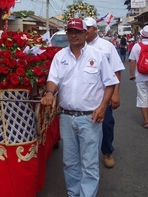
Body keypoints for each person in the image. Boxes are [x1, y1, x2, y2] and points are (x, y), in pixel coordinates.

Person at [40, 18, 118, 197]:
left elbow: (110, 82)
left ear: (85, 33)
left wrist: (103, 107)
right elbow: (53, 80)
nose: (73, 35)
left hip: (90, 118)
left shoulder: (97, 55)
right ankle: (73, 194)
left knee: (89, 163)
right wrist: (50, 93)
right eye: (70, 32)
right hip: (66, 117)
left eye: (77, 31)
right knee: (70, 162)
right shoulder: (60, 57)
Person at [84, 18, 124, 169]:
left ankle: (107, 152)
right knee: (85, 124)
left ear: (95, 29)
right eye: (84, 28)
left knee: (106, 124)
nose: (85, 31)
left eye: (88, 28)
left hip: (103, 95)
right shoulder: (79, 46)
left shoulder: (107, 46)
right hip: (86, 95)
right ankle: (87, 154)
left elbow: (116, 70)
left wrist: (116, 94)